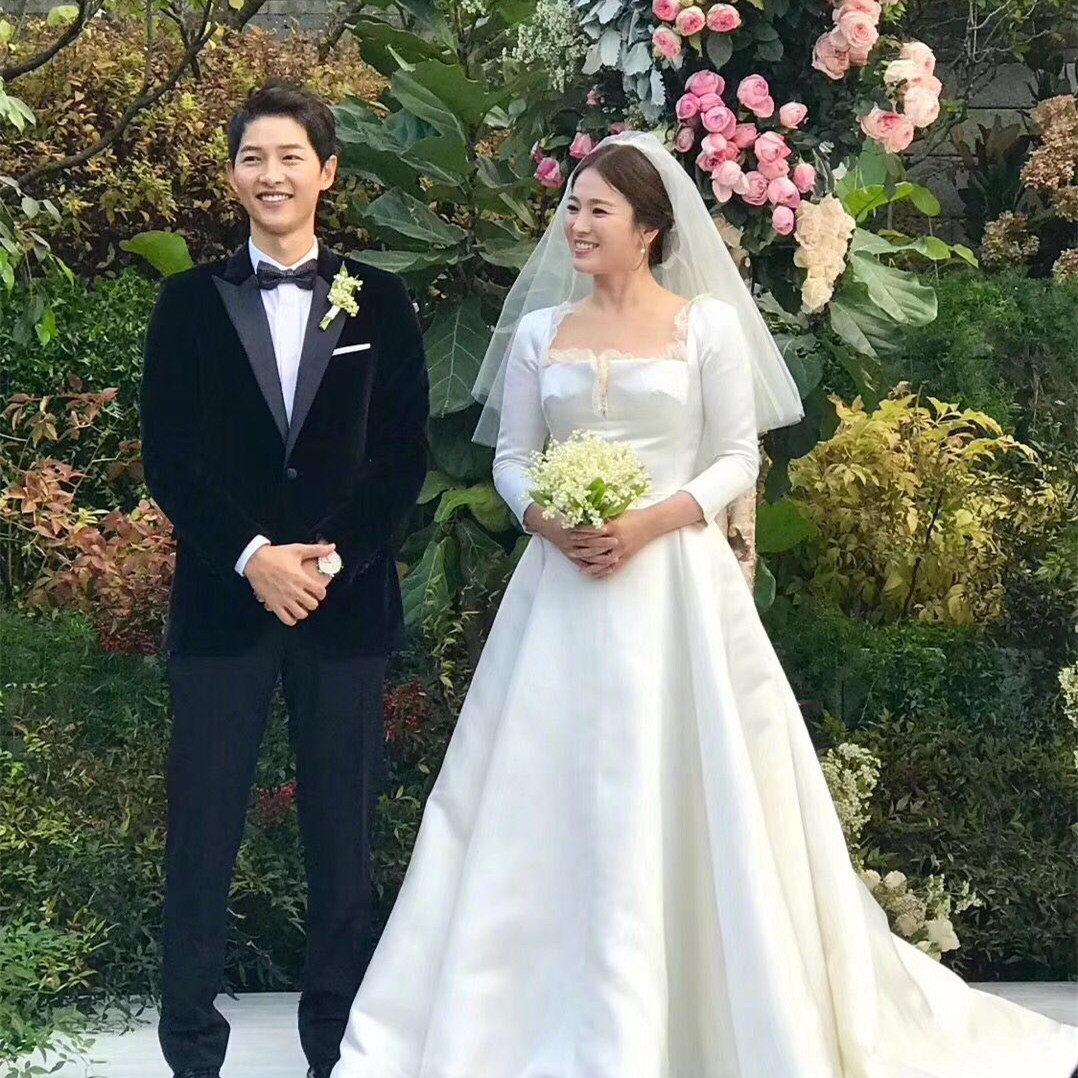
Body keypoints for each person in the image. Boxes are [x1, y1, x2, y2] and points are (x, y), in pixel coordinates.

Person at [329, 130, 1078, 1076]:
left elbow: (733, 457)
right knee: (535, 788)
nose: (576, 225)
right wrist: (550, 521)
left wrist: (646, 522)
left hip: (675, 585)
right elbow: (513, 458)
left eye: (598, 211)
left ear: (649, 228)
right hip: (560, 588)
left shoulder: (706, 328)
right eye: (572, 208)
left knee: (695, 779)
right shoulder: (538, 334)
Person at [139, 81, 429, 1078]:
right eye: (253, 157)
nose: (272, 175)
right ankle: (191, 1051)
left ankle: (334, 1051)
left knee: (342, 842)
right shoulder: (187, 303)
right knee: (201, 834)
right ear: (233, 175)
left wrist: (328, 558)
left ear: (327, 172)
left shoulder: (380, 300)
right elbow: (171, 457)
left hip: (344, 610)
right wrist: (253, 557)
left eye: (290, 157)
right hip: (224, 606)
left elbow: (401, 456)